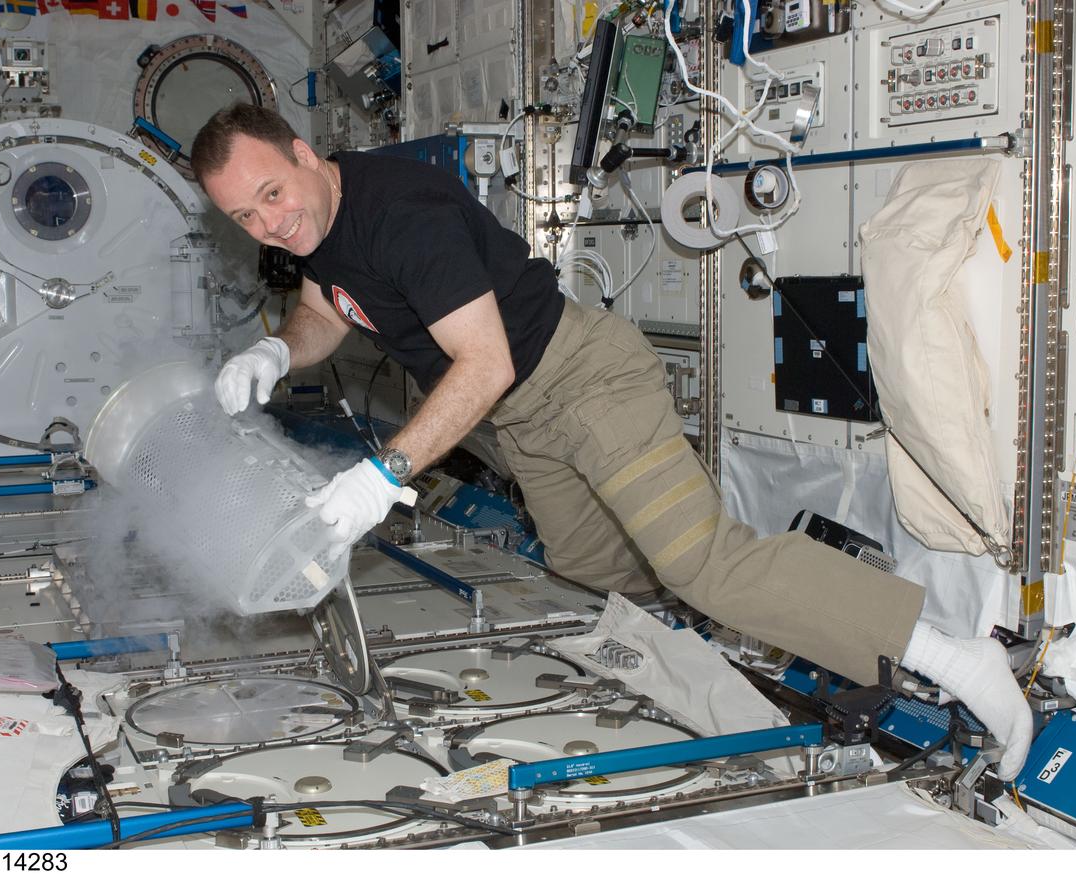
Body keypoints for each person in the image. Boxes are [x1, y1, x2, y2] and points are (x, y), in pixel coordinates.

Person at [190, 104, 1032, 778]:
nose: (269, 223)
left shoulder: (400, 215)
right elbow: (323, 308)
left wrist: (385, 473)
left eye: (271, 194)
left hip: (586, 381)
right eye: (243, 216)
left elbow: (482, 365)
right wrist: (275, 348)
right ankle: (719, 623)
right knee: (589, 569)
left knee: (705, 562)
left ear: (302, 152)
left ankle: (954, 657)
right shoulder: (322, 227)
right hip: (527, 419)